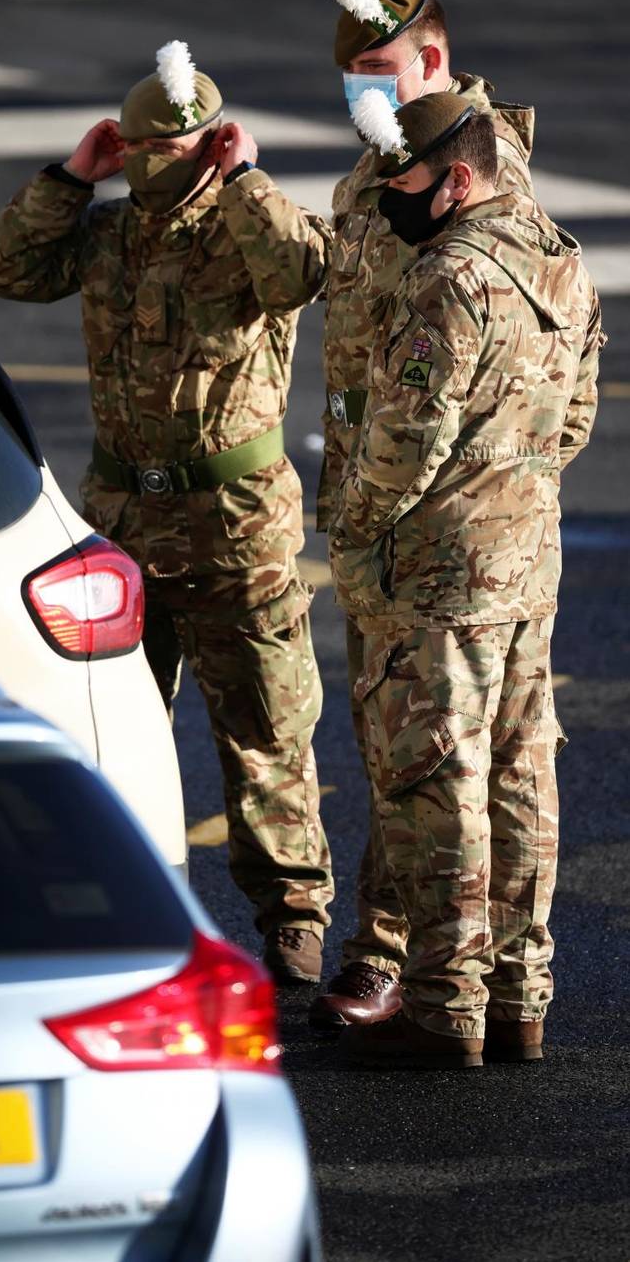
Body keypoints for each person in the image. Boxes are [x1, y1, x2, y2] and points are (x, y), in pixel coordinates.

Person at [0, 41, 335, 983]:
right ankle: (116, 910)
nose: (150, 168)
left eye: (169, 152)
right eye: (137, 153)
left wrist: (247, 177)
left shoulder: (250, 227)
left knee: (264, 732)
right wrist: (69, 176)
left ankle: (293, 918)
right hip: (125, 521)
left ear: (209, 147)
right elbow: (4, 269)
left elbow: (304, 273)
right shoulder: (105, 234)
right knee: (112, 724)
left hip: (237, 526)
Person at [322, 89, 602, 1068]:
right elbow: (572, 419)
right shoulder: (559, 255)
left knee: (438, 784)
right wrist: (511, 482)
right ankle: (521, 993)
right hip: (526, 560)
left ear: (456, 177)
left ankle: (444, 1005)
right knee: (523, 775)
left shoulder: (448, 277)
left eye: (400, 180)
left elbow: (399, 444)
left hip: (436, 574)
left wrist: (350, 538)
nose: (387, 197)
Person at [310, 0, 537, 1029]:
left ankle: (424, 969)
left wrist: (373, 513)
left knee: (450, 760)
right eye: (350, 74)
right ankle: (406, 956)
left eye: (378, 71)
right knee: (400, 749)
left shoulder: (479, 167)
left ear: (431, 62)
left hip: (441, 525)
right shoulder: (374, 172)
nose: (362, 92)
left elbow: (533, 384)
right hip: (386, 513)